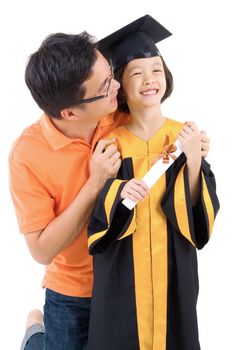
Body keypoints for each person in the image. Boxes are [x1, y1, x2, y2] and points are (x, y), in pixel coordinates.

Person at [87, 15, 220, 350]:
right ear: (120, 85)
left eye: (156, 70)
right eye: (137, 72)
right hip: (122, 274)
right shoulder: (111, 143)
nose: (149, 80)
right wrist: (117, 192)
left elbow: (196, 220)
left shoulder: (183, 136)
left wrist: (192, 160)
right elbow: (97, 209)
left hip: (173, 268)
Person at [9, 32, 127, 350]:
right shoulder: (27, 154)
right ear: (70, 113)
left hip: (126, 278)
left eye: (111, 74)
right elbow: (41, 250)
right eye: (105, 87)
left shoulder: (121, 114)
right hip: (72, 292)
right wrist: (95, 183)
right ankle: (36, 331)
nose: (118, 86)